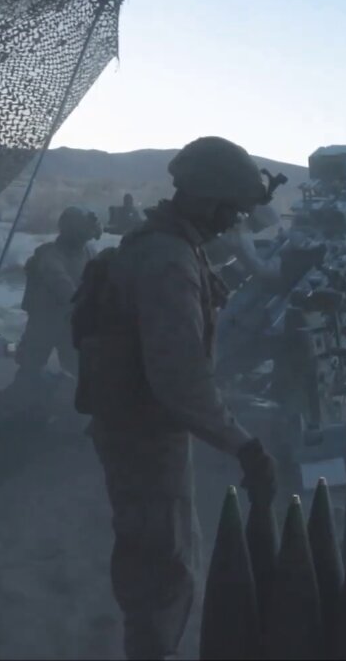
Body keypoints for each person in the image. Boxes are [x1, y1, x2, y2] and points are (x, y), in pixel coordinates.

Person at [77, 136, 279, 660]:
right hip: (145, 432)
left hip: (135, 424)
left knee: (160, 553)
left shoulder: (161, 246)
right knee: (164, 564)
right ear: (209, 199)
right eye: (231, 208)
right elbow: (179, 379)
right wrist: (243, 444)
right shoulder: (169, 259)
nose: (233, 220)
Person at [11, 206, 101, 397]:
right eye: (84, 231)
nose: (88, 236)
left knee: (78, 371)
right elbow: (63, 287)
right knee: (29, 368)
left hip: (71, 321)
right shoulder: (49, 255)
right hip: (45, 321)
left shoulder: (88, 251)